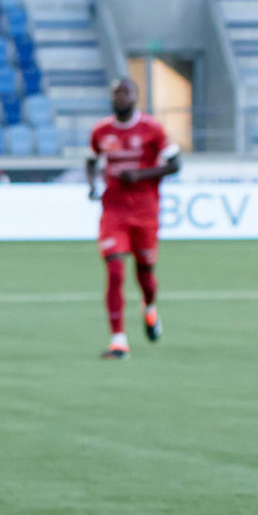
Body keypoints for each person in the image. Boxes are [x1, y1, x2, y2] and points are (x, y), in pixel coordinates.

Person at [86, 79, 178, 360]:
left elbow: (174, 165)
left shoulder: (153, 129)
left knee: (146, 273)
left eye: (126, 93)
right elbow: (91, 160)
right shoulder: (101, 131)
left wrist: (139, 175)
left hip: (145, 212)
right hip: (114, 211)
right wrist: (92, 185)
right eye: (117, 94)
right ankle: (118, 341)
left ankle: (149, 308)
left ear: (136, 97)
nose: (122, 98)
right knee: (114, 271)